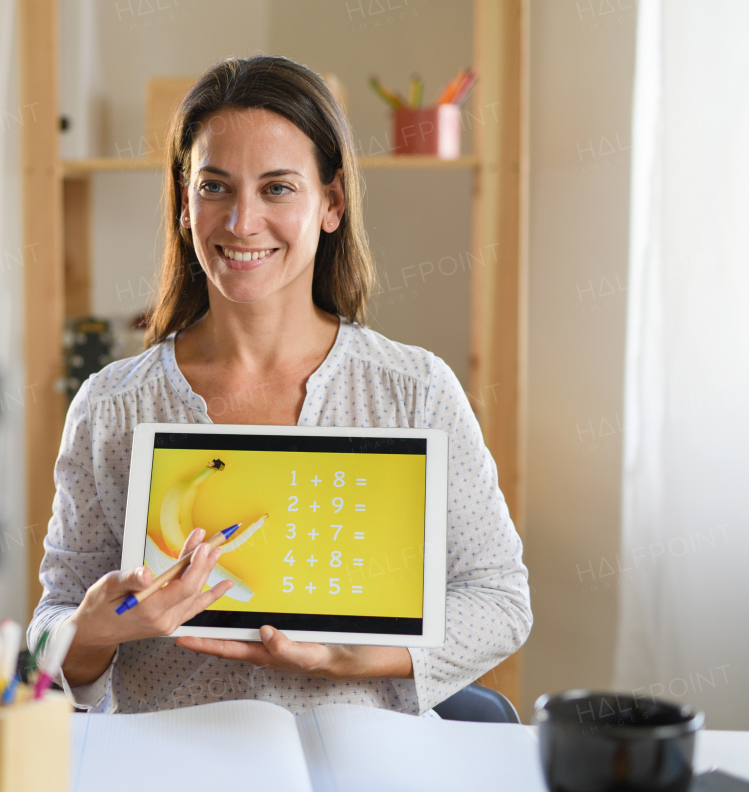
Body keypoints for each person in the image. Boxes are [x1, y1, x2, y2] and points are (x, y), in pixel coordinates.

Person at [27, 55, 531, 715]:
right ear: (184, 205)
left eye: (277, 188)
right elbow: (50, 632)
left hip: (361, 763)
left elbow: (498, 598)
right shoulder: (111, 407)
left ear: (332, 202)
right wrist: (92, 629)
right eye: (214, 187)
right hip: (171, 763)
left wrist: (351, 656)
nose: (241, 221)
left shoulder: (415, 392)